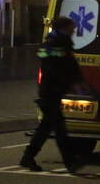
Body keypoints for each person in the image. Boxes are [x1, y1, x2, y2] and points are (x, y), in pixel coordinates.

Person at [20, 16, 85, 173]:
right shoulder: (54, 43)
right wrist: (69, 82)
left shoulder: (61, 43)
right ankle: (70, 162)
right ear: (64, 28)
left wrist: (74, 82)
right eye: (71, 27)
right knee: (59, 129)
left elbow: (68, 65)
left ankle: (28, 157)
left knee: (45, 128)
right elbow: (56, 65)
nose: (74, 30)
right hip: (51, 91)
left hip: (53, 90)